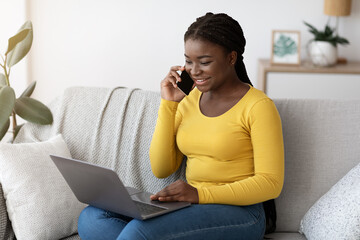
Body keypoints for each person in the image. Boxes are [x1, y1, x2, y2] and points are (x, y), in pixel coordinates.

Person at [78, 12, 284, 240]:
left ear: (231, 58)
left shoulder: (258, 106)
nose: (194, 71)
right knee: (93, 218)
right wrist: (169, 104)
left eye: (205, 62)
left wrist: (199, 194)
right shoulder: (187, 101)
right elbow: (161, 168)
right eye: (188, 61)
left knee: (139, 233)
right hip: (192, 207)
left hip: (242, 213)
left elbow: (270, 184)